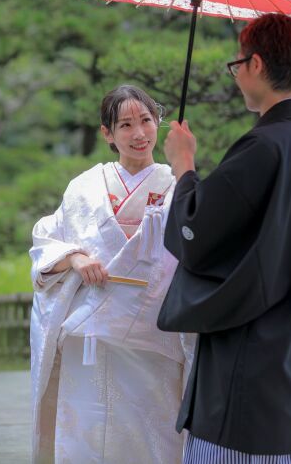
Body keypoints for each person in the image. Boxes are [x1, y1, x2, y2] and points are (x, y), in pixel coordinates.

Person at [158, 13, 291, 463]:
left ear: (255, 64)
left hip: (247, 375)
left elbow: (196, 235)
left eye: (236, 65)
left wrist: (183, 166)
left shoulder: (265, 146)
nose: (236, 76)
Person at [29, 84, 195, 464]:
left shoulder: (178, 187)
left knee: (149, 440)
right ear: (107, 133)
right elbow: (46, 238)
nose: (139, 134)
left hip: (153, 338)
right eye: (125, 125)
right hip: (89, 337)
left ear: (159, 124)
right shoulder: (84, 188)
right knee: (85, 437)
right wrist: (73, 258)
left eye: (147, 121)